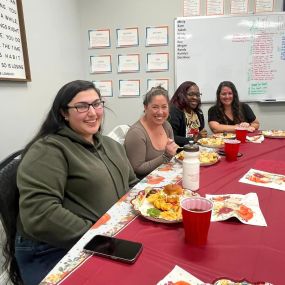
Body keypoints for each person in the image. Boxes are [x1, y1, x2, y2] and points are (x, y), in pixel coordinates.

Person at [15, 80, 138, 285]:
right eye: (82, 106)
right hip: (53, 249)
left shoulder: (110, 145)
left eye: (97, 104)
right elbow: (40, 214)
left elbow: (132, 184)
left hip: (106, 235)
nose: (92, 113)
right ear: (64, 113)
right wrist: (98, 237)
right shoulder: (48, 150)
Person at [124, 86, 178, 179]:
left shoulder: (166, 125)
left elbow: (172, 157)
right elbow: (137, 169)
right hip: (146, 186)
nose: (160, 112)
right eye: (155, 107)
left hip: (167, 177)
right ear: (145, 107)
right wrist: (165, 156)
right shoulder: (136, 133)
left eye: (164, 107)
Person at [168, 81, 207, 146]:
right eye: (191, 94)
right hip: (179, 151)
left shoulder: (198, 112)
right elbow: (171, 137)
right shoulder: (174, 111)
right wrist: (193, 139)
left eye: (197, 95)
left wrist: (202, 135)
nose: (195, 97)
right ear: (181, 95)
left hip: (196, 149)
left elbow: (200, 135)